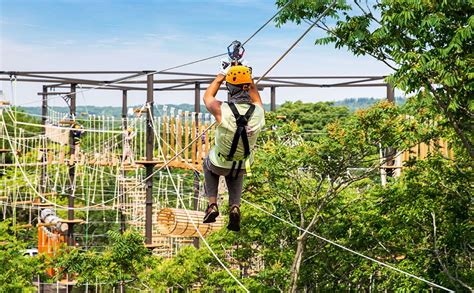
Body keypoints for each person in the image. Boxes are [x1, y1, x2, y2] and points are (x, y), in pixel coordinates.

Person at [202, 59, 265, 232]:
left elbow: (207, 97)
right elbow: (255, 96)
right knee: (237, 168)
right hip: (243, 164)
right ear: (246, 86)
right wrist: (248, 77)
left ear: (230, 88)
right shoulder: (259, 112)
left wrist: (221, 75)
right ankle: (235, 206)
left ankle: (212, 204)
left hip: (219, 162)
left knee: (208, 164)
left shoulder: (223, 109)